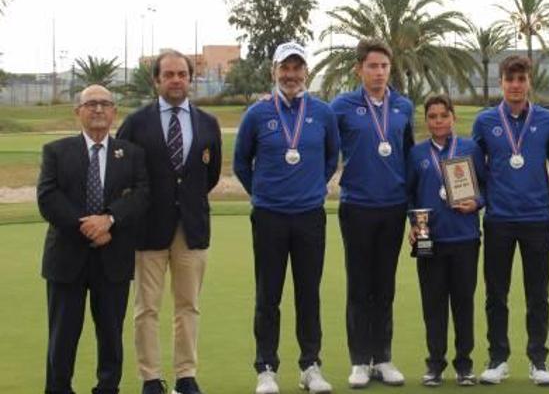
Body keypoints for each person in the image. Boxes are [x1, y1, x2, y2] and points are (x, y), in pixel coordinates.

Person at [234, 41, 339, 394]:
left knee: (309, 293)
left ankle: (311, 366)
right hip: (269, 217)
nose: (291, 75)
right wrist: (264, 194)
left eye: (297, 68)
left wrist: (311, 188)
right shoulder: (257, 114)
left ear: (305, 71)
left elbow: (330, 158)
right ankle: (266, 368)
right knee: (269, 295)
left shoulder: (322, 113)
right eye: (285, 68)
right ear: (274, 72)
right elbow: (240, 163)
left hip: (310, 216)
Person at [117, 50, 222, 394]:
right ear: (157, 80)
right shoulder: (136, 123)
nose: (176, 80)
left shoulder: (207, 123)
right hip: (148, 228)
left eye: (182, 74)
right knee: (147, 307)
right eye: (169, 74)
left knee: (188, 305)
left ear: (190, 79)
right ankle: (150, 377)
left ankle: (186, 375)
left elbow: (210, 175)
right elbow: (122, 173)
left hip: (191, 228)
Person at [38, 84, 149, 394]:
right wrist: (88, 227)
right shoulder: (56, 152)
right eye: (91, 104)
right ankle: (59, 388)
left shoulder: (131, 154)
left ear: (114, 112)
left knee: (111, 335)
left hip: (113, 260)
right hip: (66, 259)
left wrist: (109, 220)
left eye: (105, 104)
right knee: (63, 335)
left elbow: (142, 196)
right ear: (78, 112)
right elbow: (47, 198)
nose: (98, 109)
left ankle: (107, 388)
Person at [330, 38, 414, 389]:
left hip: (393, 207)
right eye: (372, 66)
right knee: (359, 286)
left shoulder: (404, 106)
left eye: (383, 66)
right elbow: (324, 151)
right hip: (357, 207)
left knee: (384, 286)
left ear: (389, 69)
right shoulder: (342, 106)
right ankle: (359, 361)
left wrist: (414, 211)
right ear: (359, 69)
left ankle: (382, 357)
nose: (378, 73)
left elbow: (409, 159)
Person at [471, 55, 549, 386]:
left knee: (538, 294)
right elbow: (473, 169)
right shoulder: (485, 121)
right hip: (498, 220)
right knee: (497, 293)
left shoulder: (548, 120)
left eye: (521, 79)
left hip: (537, 218)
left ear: (529, 82)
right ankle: (498, 358)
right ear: (501, 82)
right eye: (510, 79)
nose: (516, 85)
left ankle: (538, 360)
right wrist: (477, 199)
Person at [405, 94, 485, 387]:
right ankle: (435, 365)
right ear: (426, 121)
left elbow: (485, 187)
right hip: (429, 239)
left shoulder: (469, 148)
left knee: (463, 303)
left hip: (464, 237)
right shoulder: (416, 154)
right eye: (432, 117)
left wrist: (476, 203)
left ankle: (464, 365)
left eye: (443, 115)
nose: (438, 121)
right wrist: (413, 223)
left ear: (452, 117)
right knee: (433, 305)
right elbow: (410, 195)